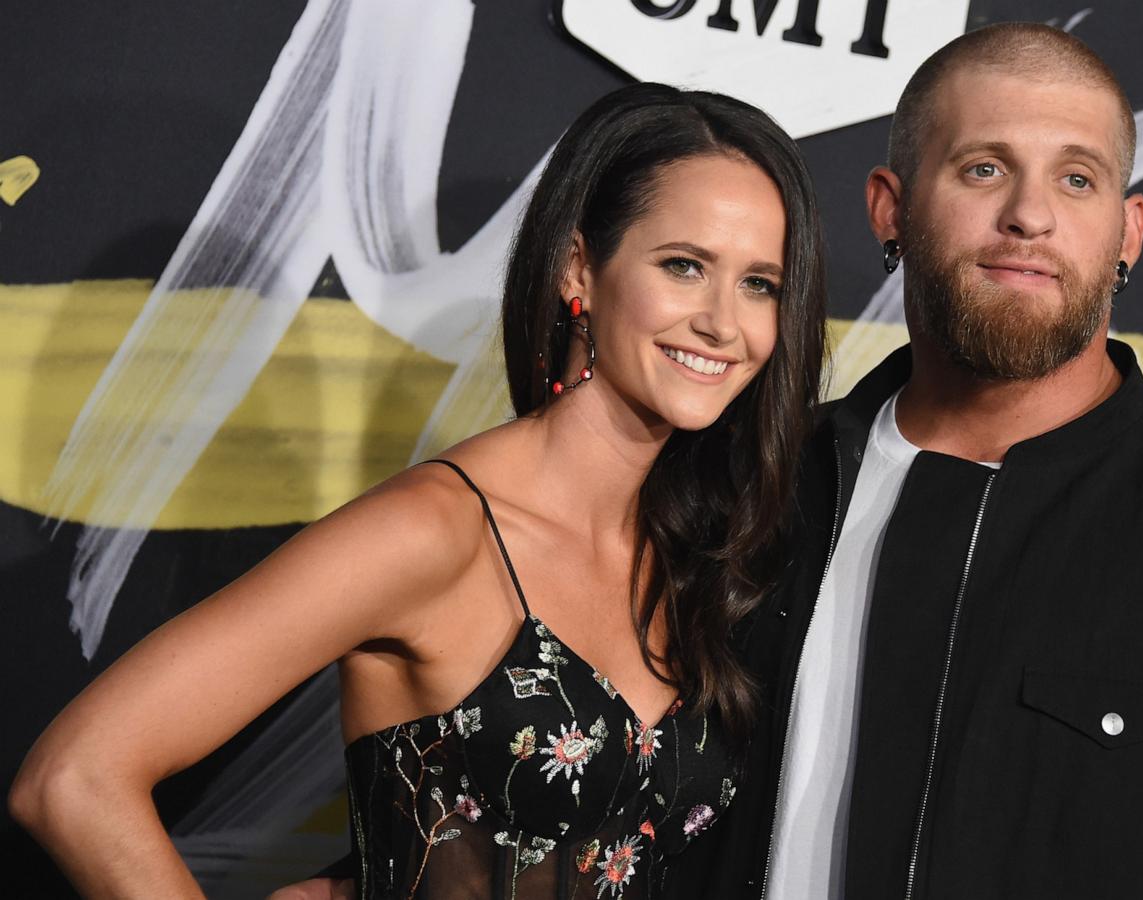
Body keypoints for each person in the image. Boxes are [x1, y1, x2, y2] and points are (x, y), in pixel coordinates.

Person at [9, 82, 828, 899]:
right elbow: (76, 777)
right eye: (685, 267)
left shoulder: (701, 550)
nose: (725, 322)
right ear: (580, 266)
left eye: (761, 283)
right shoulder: (435, 532)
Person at [671, 23, 1143, 898]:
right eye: (984, 168)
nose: (1031, 215)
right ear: (889, 208)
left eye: (1076, 178)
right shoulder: (743, 491)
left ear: (1128, 233)